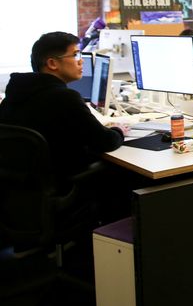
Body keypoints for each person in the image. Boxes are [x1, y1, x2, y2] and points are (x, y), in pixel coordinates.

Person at [0, 32, 124, 190]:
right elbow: (105, 141)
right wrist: (119, 130)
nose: (81, 61)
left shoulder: (14, 94)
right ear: (52, 63)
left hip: (21, 192)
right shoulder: (64, 98)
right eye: (75, 54)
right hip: (62, 186)